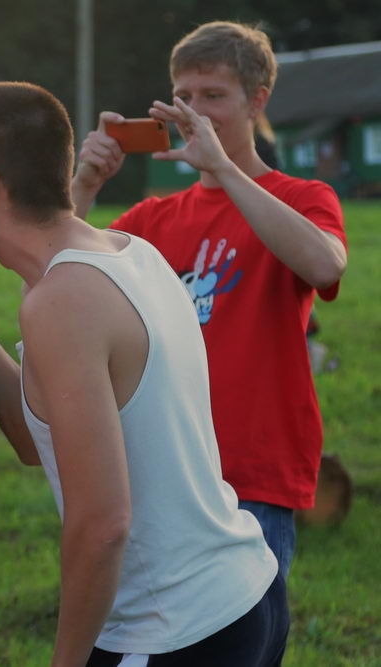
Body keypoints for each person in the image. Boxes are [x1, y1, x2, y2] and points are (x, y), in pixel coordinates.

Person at [0, 80, 288, 666]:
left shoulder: (63, 300)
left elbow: (102, 524)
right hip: (245, 593)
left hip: (172, 629)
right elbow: (31, 436)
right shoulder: (126, 252)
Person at [72, 21, 348, 579]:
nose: (194, 112)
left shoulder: (302, 197)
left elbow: (324, 265)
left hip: (254, 471)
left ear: (258, 101)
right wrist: (83, 186)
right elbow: (62, 276)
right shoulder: (154, 217)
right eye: (184, 98)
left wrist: (222, 167)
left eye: (213, 97)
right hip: (163, 468)